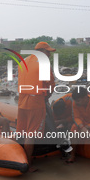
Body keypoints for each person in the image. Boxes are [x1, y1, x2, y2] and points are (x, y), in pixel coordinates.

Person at [16, 42, 56, 172]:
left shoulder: (24, 61)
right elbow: (50, 84)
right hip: (36, 101)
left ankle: (19, 156)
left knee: (23, 129)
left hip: (22, 100)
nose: (49, 54)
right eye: (48, 52)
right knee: (31, 133)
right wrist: (47, 96)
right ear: (42, 51)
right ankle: (28, 163)